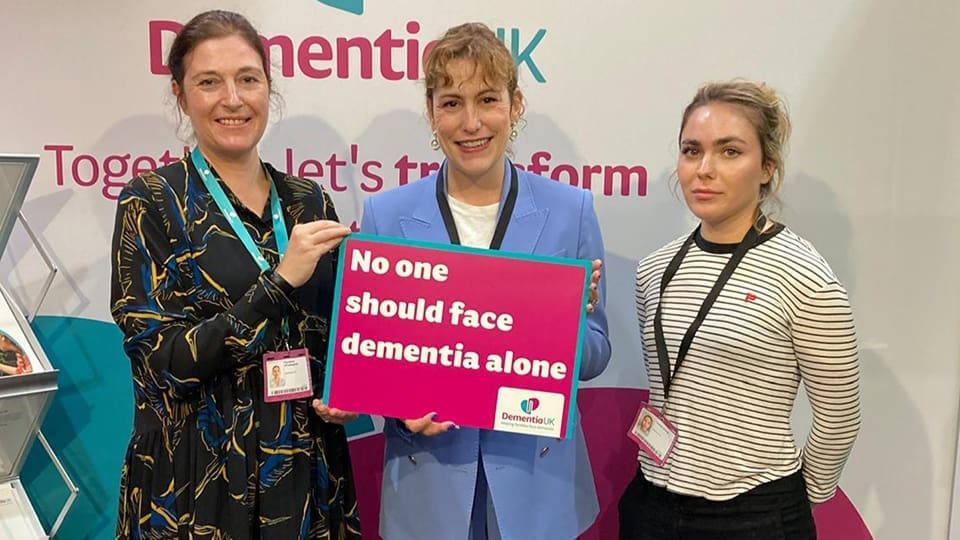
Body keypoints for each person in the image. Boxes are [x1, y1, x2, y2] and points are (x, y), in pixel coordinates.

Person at [109, 10, 360, 539]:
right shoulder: (151, 202)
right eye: (209, 82)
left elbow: (338, 337)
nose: (233, 99)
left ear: (269, 87)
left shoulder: (308, 200)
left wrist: (346, 390)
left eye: (249, 79)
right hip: (196, 481)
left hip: (304, 470)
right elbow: (166, 365)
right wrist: (277, 284)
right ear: (179, 94)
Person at [359, 22, 611, 540]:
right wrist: (401, 408)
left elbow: (596, 354)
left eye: (488, 99)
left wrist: (565, 326)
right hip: (429, 482)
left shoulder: (571, 211)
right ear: (432, 112)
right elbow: (372, 363)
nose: (471, 122)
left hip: (534, 484)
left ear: (515, 106)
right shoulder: (387, 215)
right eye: (451, 103)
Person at [618, 80, 861, 539]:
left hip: (755, 515)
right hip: (651, 503)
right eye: (692, 151)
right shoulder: (653, 269)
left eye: (729, 152)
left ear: (767, 167)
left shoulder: (805, 276)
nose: (704, 169)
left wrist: (790, 504)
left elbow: (839, 416)